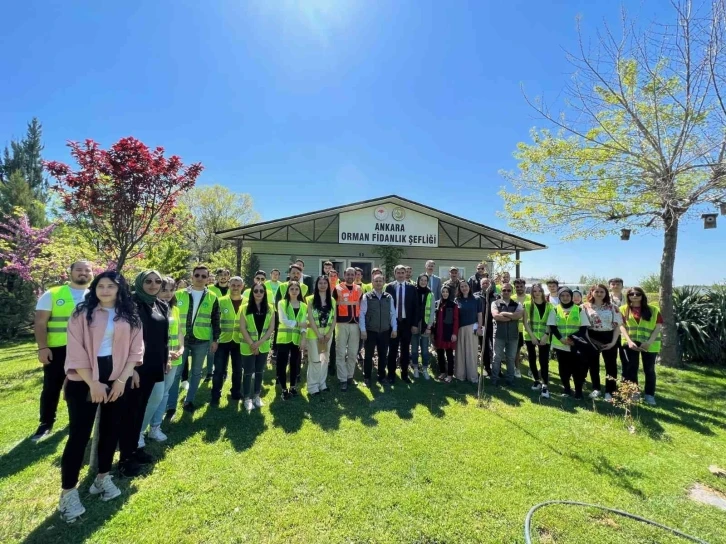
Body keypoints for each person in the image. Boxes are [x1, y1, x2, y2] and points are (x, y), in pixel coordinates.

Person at [58, 271, 143, 522]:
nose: (105, 290)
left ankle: (102, 478)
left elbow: (136, 351)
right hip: (84, 380)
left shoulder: (130, 316)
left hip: (117, 378)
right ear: (94, 288)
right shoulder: (81, 314)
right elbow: (75, 350)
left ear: (120, 290)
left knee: (110, 431)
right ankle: (68, 493)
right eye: (101, 286)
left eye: (111, 286)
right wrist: (92, 383)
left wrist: (121, 380)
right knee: (79, 436)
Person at [32, 260, 94, 442]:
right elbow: (40, 322)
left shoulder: (95, 295)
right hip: (57, 349)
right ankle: (46, 423)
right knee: (52, 387)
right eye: (79, 270)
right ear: (71, 272)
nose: (83, 273)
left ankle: (76, 421)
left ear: (91, 274)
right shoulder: (53, 293)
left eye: (87, 270)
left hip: (85, 351)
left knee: (81, 387)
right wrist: (43, 347)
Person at [121, 270, 168, 474]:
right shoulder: (130, 305)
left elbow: (163, 337)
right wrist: (131, 369)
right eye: (148, 281)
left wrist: (164, 361)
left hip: (154, 365)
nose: (153, 284)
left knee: (140, 411)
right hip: (136, 369)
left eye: (157, 281)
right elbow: (125, 339)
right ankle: (125, 458)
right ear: (140, 282)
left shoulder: (160, 304)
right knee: (130, 412)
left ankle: (135, 449)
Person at [169, 265, 220, 413]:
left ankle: (188, 401)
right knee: (176, 373)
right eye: (197, 275)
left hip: (201, 340)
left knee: (196, 373)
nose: (200, 278)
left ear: (208, 279)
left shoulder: (212, 297)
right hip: (181, 340)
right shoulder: (178, 294)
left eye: (204, 276)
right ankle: (171, 406)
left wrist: (215, 339)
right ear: (192, 276)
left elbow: (216, 320)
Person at [619, 287, 662, 405]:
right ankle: (634, 393)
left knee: (649, 370)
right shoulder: (623, 309)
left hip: (649, 344)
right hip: (630, 343)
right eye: (631, 294)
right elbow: (621, 326)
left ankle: (649, 395)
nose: (634, 296)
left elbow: (658, 327)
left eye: (637, 294)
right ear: (628, 296)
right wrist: (629, 341)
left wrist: (649, 343)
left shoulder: (653, 310)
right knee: (631, 369)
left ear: (642, 295)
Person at [547, 287, 591, 399]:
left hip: (575, 345)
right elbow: (553, 326)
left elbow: (583, 327)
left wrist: (573, 339)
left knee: (578, 369)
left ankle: (578, 391)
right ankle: (566, 389)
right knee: (563, 369)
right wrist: (562, 339)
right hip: (560, 344)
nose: (565, 298)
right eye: (562, 296)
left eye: (567, 295)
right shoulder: (555, 310)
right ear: (559, 297)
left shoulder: (579, 310)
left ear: (571, 297)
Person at [581, 284, 622, 401]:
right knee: (593, 365)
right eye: (596, 291)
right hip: (591, 337)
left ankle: (610, 391)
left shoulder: (612, 307)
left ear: (606, 293)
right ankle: (596, 388)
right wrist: (589, 342)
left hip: (609, 337)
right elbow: (583, 326)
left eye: (602, 292)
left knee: (611, 366)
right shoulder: (584, 307)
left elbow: (618, 326)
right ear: (592, 292)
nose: (599, 294)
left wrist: (613, 342)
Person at [239, 283, 275, 412]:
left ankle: (256, 396)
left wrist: (259, 343)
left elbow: (271, 328)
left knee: (259, 371)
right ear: (252, 292)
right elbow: (242, 327)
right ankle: (247, 398)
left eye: (261, 291)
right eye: (256, 291)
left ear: (265, 293)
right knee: (248, 372)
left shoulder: (270, 308)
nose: (258, 293)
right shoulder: (244, 308)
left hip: (263, 346)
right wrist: (252, 344)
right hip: (247, 345)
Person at [154, 277, 184, 429]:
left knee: (165, 392)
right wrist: (167, 354)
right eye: (164, 290)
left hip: (175, 358)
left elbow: (179, 332)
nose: (168, 294)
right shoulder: (153, 309)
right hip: (159, 358)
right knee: (154, 394)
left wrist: (181, 349)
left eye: (171, 290)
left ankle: (156, 426)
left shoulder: (176, 309)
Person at [210, 276, 245, 406]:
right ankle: (215, 395)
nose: (235, 287)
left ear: (242, 286)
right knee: (218, 370)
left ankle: (235, 392)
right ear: (229, 285)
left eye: (238, 285)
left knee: (237, 370)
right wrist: (215, 340)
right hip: (222, 341)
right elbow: (215, 322)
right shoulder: (220, 301)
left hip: (240, 341)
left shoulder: (247, 302)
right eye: (233, 285)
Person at [359, 273, 398, 387]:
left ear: (384, 282)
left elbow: (392, 314)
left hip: (385, 331)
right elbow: (362, 314)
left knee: (382, 355)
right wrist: (363, 330)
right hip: (371, 331)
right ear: (372, 282)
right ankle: (367, 377)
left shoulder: (388, 297)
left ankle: (381, 376)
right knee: (368, 355)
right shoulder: (367, 296)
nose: (378, 283)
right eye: (376, 281)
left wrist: (394, 329)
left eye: (380, 281)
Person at [385, 265, 420, 384]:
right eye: (398, 272)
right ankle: (391, 375)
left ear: (406, 274)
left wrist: (415, 324)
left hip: (407, 323)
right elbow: (386, 306)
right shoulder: (389, 287)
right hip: (393, 323)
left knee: (405, 350)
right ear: (395, 274)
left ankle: (405, 374)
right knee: (393, 350)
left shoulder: (412, 288)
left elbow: (416, 307)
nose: (400, 275)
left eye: (402, 272)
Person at [275, 281, 307, 399]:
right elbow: (283, 320)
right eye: (292, 289)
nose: (294, 291)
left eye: (296, 289)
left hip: (297, 339)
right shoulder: (282, 303)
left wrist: (304, 339)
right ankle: (284, 389)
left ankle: (293, 387)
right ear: (288, 291)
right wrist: (299, 323)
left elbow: (304, 325)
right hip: (283, 339)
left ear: (299, 291)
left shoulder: (303, 305)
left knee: (295, 364)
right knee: (282, 364)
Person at [306, 276, 336, 397]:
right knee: (315, 360)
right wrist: (318, 334)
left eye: (325, 283)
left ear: (328, 285)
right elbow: (310, 318)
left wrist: (328, 334)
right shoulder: (310, 299)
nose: (323, 285)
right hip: (314, 334)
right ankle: (312, 386)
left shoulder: (332, 300)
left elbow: (334, 318)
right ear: (316, 285)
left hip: (327, 335)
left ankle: (322, 384)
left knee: (325, 359)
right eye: (320, 283)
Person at [333, 267, 362, 390]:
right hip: (341, 324)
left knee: (352, 352)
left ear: (355, 276)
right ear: (344, 275)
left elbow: (362, 305)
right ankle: (342, 379)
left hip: (355, 323)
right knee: (340, 352)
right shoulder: (337, 288)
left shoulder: (359, 288)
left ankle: (350, 376)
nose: (350, 276)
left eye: (352, 274)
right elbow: (332, 306)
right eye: (348, 274)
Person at [522, 283, 553, 397]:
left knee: (544, 361)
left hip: (545, 336)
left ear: (542, 292)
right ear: (532, 293)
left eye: (539, 291)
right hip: (530, 336)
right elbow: (525, 322)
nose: (537, 293)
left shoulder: (549, 306)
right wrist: (533, 336)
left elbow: (550, 322)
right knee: (532, 358)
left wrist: (546, 335)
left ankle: (545, 385)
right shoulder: (527, 304)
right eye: (534, 291)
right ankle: (536, 380)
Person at [490, 283, 524, 387]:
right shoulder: (495, 303)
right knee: (497, 358)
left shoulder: (517, 304)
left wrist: (504, 314)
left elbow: (519, 315)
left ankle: (510, 379)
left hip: (513, 336)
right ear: (501, 291)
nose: (506, 292)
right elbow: (495, 315)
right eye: (504, 290)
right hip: (499, 335)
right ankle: (494, 379)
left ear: (512, 292)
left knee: (511, 358)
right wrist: (512, 317)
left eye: (509, 290)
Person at [454, 280, 482, 383]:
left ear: (469, 287)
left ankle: (472, 377)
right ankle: (460, 375)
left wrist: (479, 327)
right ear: (459, 289)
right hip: (460, 329)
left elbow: (479, 314)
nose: (464, 288)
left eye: (465, 286)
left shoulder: (476, 299)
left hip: (472, 328)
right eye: (462, 287)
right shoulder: (457, 300)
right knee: (460, 352)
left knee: (471, 352)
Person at [411, 273, 435, 380]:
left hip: (425, 325)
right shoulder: (413, 292)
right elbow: (410, 310)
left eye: (425, 280)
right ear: (418, 281)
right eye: (421, 280)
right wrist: (412, 325)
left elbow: (432, 312)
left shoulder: (430, 294)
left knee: (425, 349)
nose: (423, 282)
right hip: (415, 325)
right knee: (414, 349)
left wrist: (429, 326)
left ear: (427, 282)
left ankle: (425, 369)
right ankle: (415, 368)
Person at [433, 285, 459, 382]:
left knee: (449, 355)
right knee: (440, 354)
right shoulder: (438, 304)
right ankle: (442, 372)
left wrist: (454, 333)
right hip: (439, 332)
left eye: (446, 292)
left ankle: (450, 374)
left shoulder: (453, 305)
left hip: (448, 332)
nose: (445, 293)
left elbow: (456, 320)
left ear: (449, 293)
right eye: (443, 292)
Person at [476, 276, 498, 377]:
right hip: (483, 325)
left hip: (493, 325)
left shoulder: (496, 296)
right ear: (480, 286)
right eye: (483, 283)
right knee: (484, 347)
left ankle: (497, 369)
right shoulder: (477, 296)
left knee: (495, 348)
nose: (485, 285)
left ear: (490, 284)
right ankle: (487, 368)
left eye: (487, 283)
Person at [511, 278, 531, 378]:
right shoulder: (512, 298)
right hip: (516, 329)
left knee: (530, 350)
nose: (519, 288)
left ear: (525, 287)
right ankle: (517, 368)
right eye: (517, 287)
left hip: (528, 329)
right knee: (517, 351)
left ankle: (532, 369)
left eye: (521, 286)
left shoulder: (530, 298)